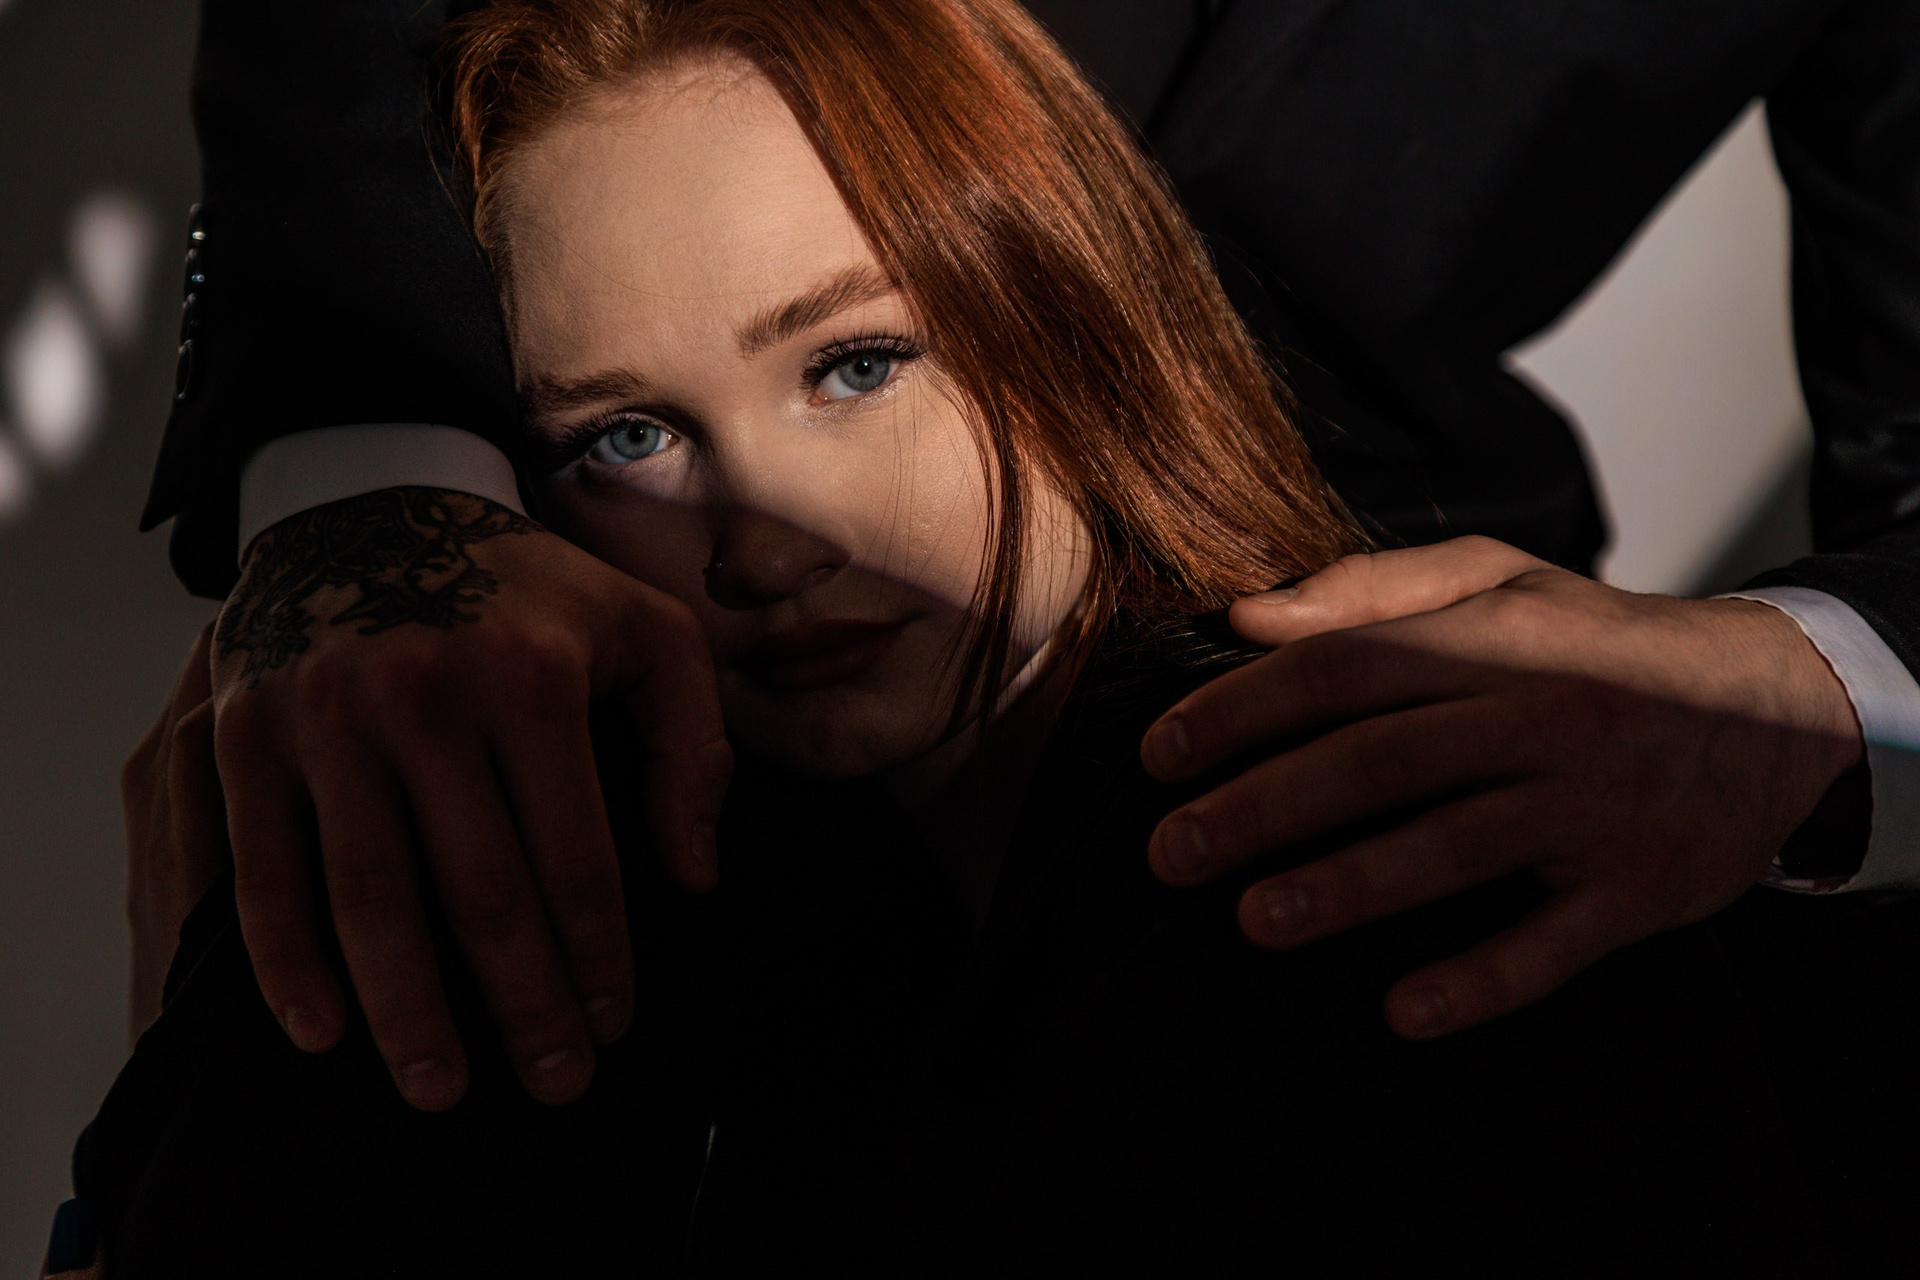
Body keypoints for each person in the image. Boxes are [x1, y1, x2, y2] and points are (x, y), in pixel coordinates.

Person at [58, 0, 1910, 1274]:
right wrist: (358, 497)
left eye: (858, 362)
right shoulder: (560, 845)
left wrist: (1808, 685)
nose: (769, 535)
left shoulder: (1378, 926)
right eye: (622, 436)